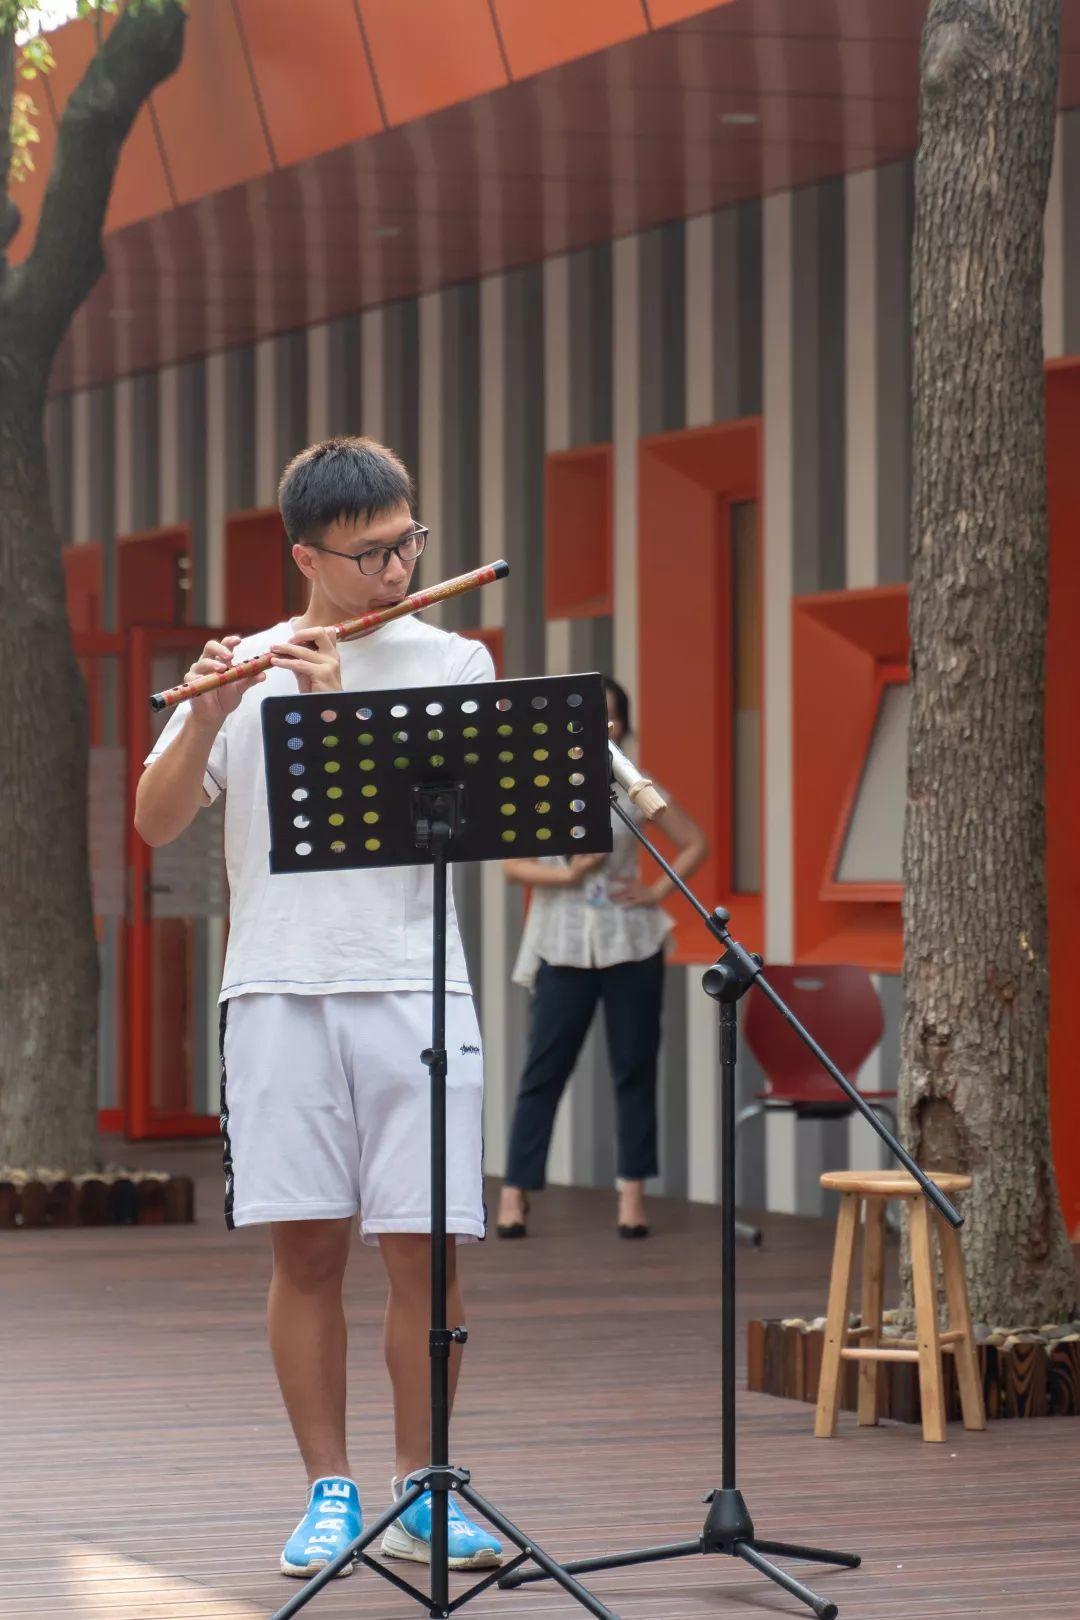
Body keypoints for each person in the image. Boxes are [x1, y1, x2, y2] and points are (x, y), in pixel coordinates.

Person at [134, 437, 502, 1579]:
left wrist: (330, 708)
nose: (397, 571)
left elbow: (449, 828)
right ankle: (329, 1493)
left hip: (414, 985)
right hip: (281, 991)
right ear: (307, 556)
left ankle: (426, 1487)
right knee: (305, 1255)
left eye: (409, 546)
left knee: (426, 1255)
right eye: (370, 555)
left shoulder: (457, 662)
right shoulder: (248, 663)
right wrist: (213, 708)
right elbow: (153, 821)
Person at [495, 677, 707, 1239]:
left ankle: (632, 1196)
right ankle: (515, 1191)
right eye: (592, 717)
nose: (602, 727)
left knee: (634, 1067)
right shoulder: (538, 783)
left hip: (628, 941)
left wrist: (657, 893)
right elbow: (512, 866)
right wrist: (569, 873)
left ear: (622, 725)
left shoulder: (634, 787)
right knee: (544, 1068)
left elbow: (693, 842)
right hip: (561, 941)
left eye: (611, 718)